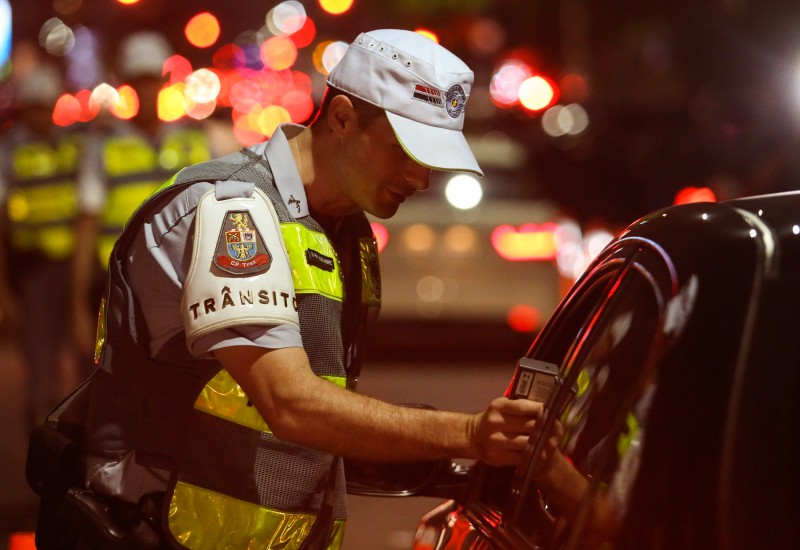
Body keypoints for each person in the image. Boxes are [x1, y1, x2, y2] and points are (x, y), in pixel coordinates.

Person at [68, 29, 543, 549]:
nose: (421, 178)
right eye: (406, 150)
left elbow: (322, 425)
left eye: (432, 161)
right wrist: (470, 435)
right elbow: (290, 402)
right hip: (154, 532)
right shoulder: (234, 209)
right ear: (340, 118)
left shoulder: (343, 229)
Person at [70, 31, 232, 358]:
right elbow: (87, 224)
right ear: (127, 83)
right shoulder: (103, 144)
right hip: (120, 286)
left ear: (162, 80)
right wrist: (76, 305)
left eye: (150, 80)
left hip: (186, 286)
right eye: (138, 81)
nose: (145, 90)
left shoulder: (195, 138)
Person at [0, 62, 82, 432]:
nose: (41, 114)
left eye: (45, 106)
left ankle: (77, 434)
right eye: (34, 107)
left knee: (82, 356)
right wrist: (4, 292)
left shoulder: (69, 146)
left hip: (71, 266)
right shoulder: (8, 152)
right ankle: (39, 439)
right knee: (41, 361)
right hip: (31, 271)